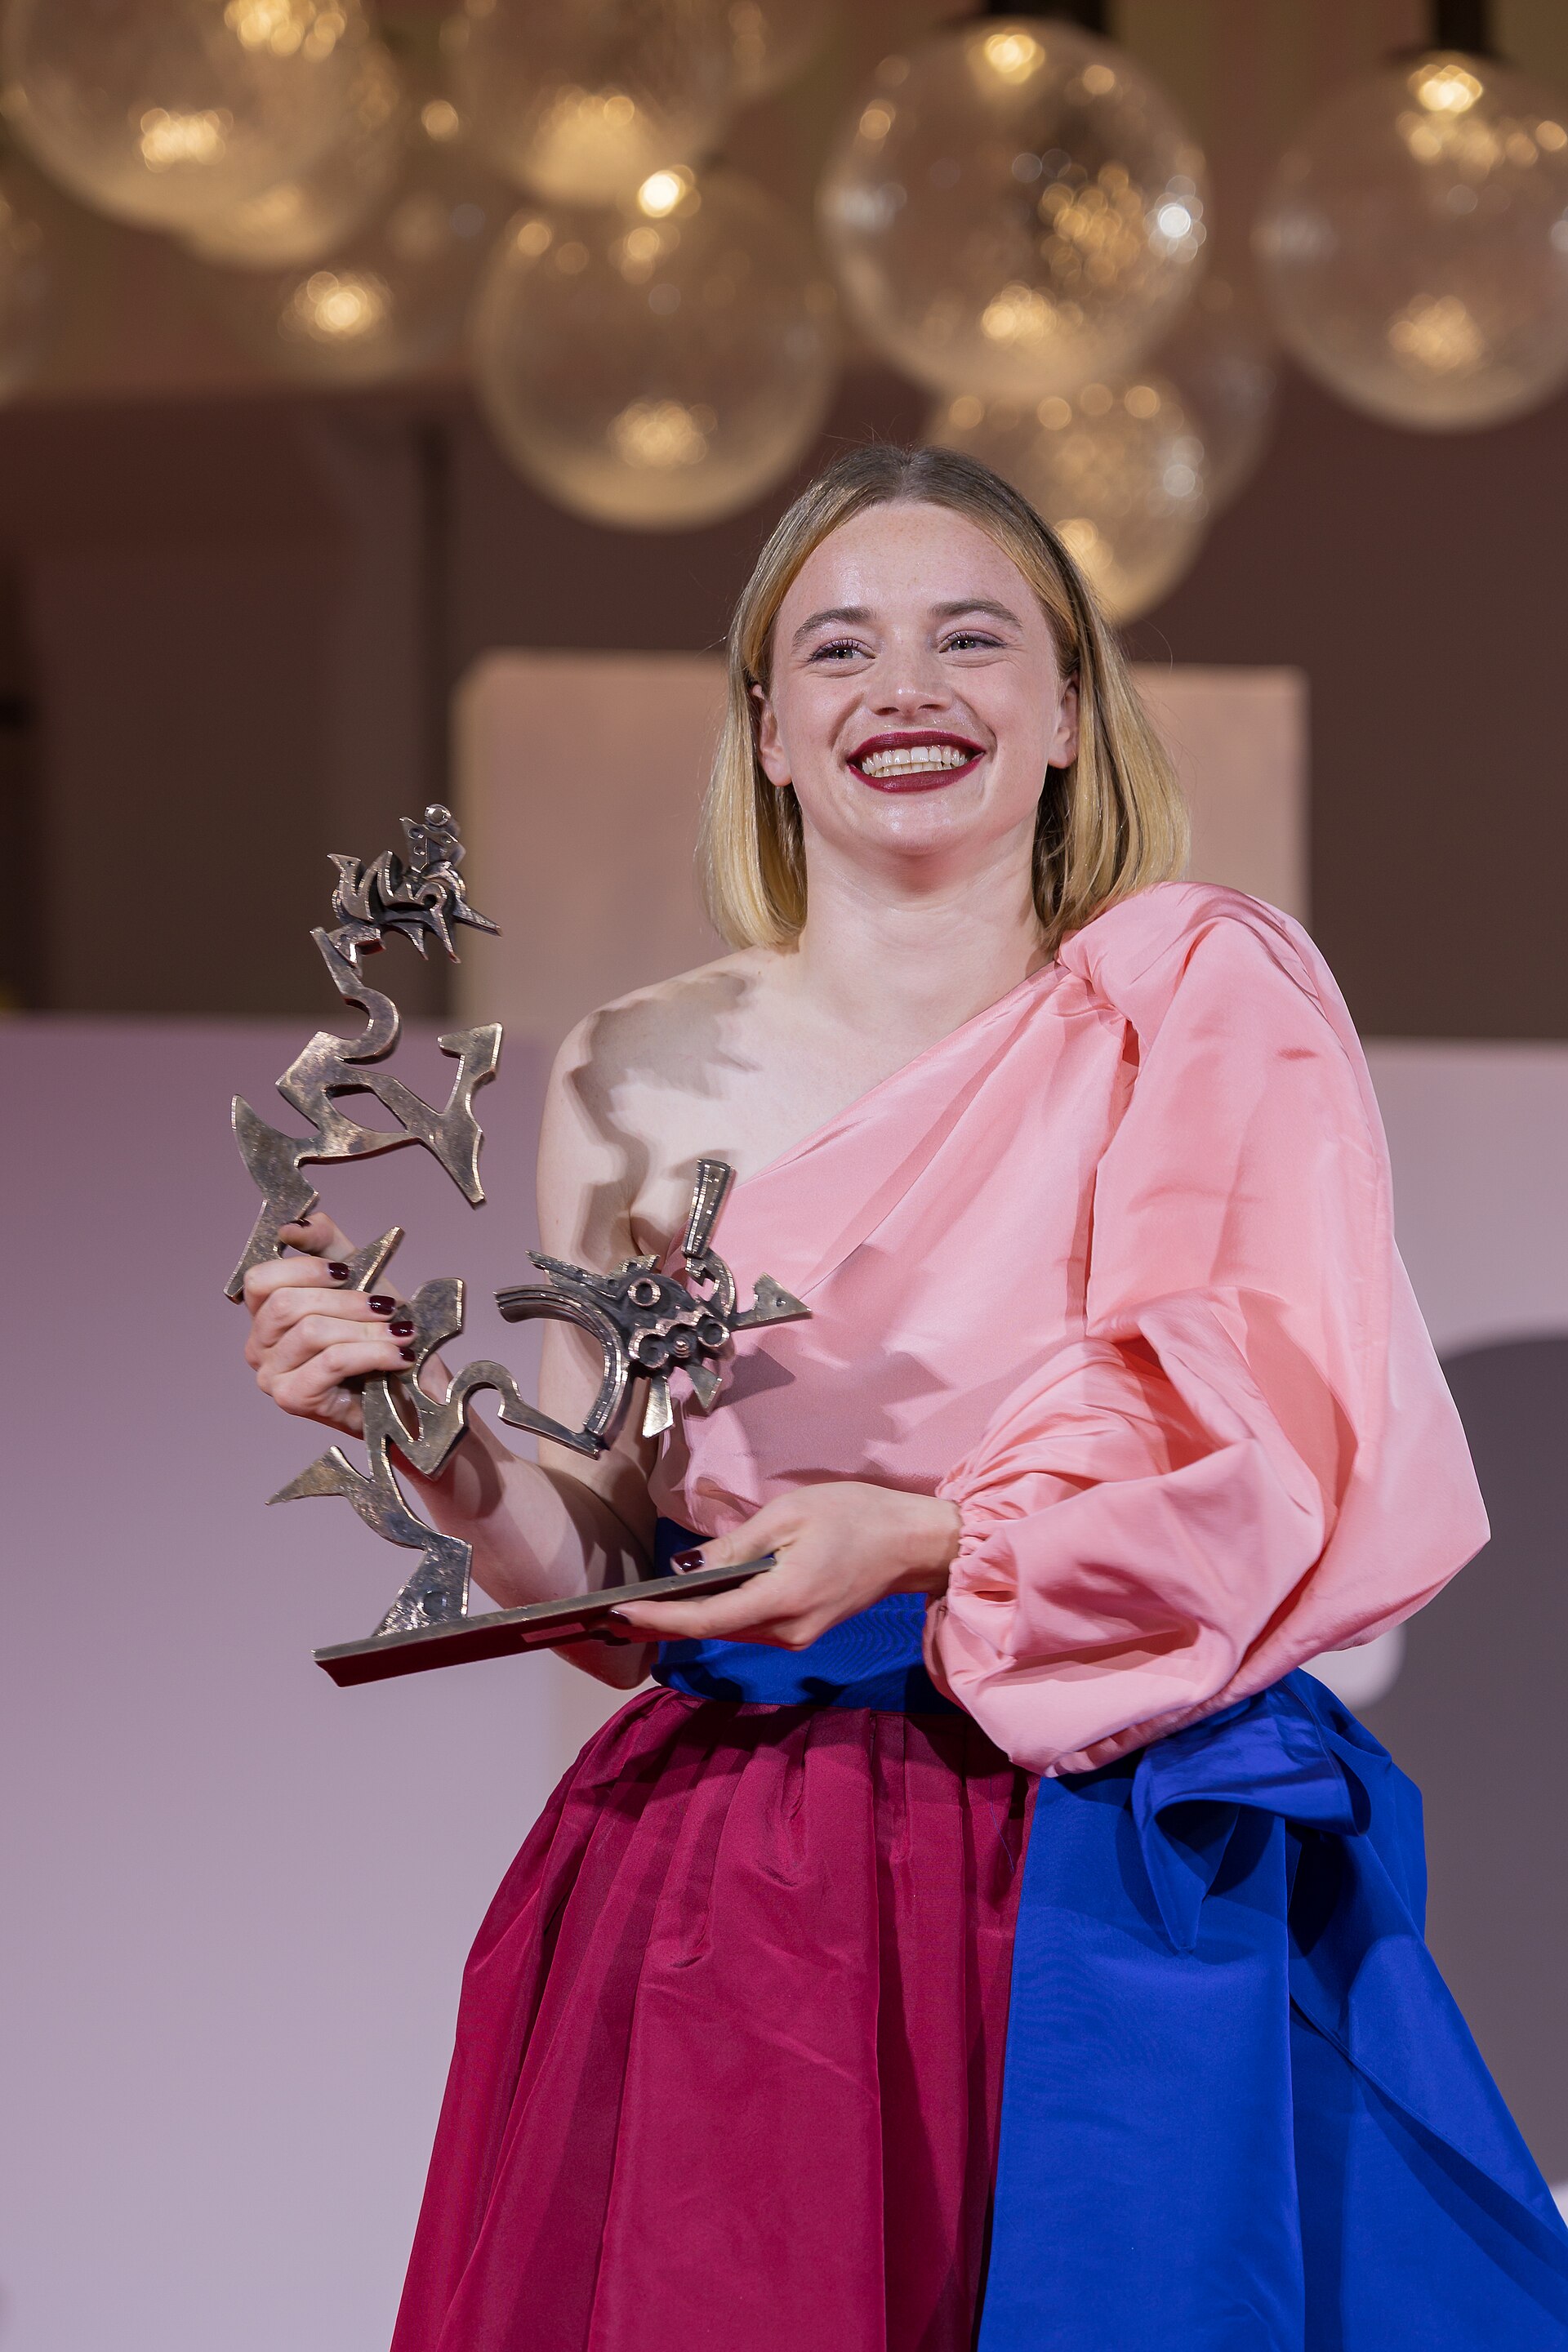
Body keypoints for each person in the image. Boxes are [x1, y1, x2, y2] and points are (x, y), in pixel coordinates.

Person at [240, 446, 1568, 2351]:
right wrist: (429, 1445)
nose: (907, 689)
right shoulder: (635, 1071)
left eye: (972, 638)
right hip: (755, 1879)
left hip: (1126, 1847)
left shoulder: (1200, 998)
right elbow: (609, 1546)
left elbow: (1269, 1455)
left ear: (1065, 710)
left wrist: (938, 1538)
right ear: (770, 729)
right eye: (840, 649)